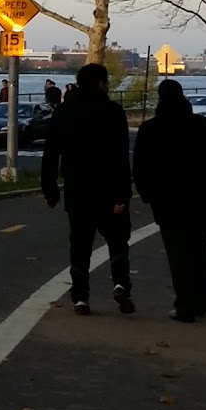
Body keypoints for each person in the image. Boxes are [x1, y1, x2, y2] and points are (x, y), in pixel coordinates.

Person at [41, 62, 135, 316]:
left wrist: (50, 189)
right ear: (102, 83)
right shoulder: (113, 111)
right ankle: (120, 284)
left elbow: (51, 153)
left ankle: (81, 297)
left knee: (80, 245)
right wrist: (123, 194)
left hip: (78, 189)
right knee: (117, 241)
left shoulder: (64, 111)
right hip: (109, 189)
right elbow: (120, 155)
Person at [133, 79, 206, 322]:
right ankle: (202, 299)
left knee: (178, 254)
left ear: (160, 98)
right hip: (200, 197)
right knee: (199, 250)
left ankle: (185, 304)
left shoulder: (150, 129)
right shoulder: (203, 126)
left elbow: (140, 168)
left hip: (167, 200)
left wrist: (147, 195)